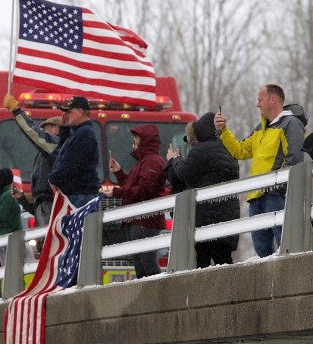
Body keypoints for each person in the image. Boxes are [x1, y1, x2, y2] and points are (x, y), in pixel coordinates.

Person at [214, 84, 306, 257]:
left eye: (260, 100)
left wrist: (277, 187)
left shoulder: (291, 124)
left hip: (275, 195)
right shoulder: (260, 129)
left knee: (284, 246)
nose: (257, 104)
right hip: (256, 197)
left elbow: (294, 158)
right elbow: (240, 150)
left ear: (273, 99)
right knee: (262, 249)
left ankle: (284, 279)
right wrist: (223, 131)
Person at [166, 112, 240, 268]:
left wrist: (175, 159)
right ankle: (229, 291)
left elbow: (184, 173)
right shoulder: (228, 149)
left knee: (202, 263)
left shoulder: (201, 150)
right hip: (228, 216)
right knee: (224, 262)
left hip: (205, 217)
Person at [102, 124, 167, 278]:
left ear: (143, 141)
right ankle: (148, 296)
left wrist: (116, 192)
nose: (133, 144)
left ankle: (156, 296)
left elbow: (143, 191)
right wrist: (118, 173)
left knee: (147, 264)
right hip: (139, 220)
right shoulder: (145, 162)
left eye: (135, 140)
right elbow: (134, 188)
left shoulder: (151, 162)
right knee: (141, 265)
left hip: (144, 221)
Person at [3, 94, 61, 229]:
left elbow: (33, 133)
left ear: (55, 129)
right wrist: (22, 198)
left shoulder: (55, 147)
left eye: (45, 129)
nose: (42, 132)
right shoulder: (44, 154)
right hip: (44, 206)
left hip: (50, 205)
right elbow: (39, 197)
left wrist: (16, 110)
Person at [48, 96, 100, 208]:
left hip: (80, 196)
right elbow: (63, 151)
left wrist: (53, 179)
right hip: (78, 195)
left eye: (69, 111)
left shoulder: (84, 134)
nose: (66, 115)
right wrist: (64, 128)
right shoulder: (79, 133)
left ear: (80, 112)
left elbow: (71, 164)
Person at [0, 166, 23, 267]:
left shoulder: (7, 196)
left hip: (9, 239)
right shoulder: (8, 194)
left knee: (10, 270)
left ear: (1, 181)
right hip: (10, 238)